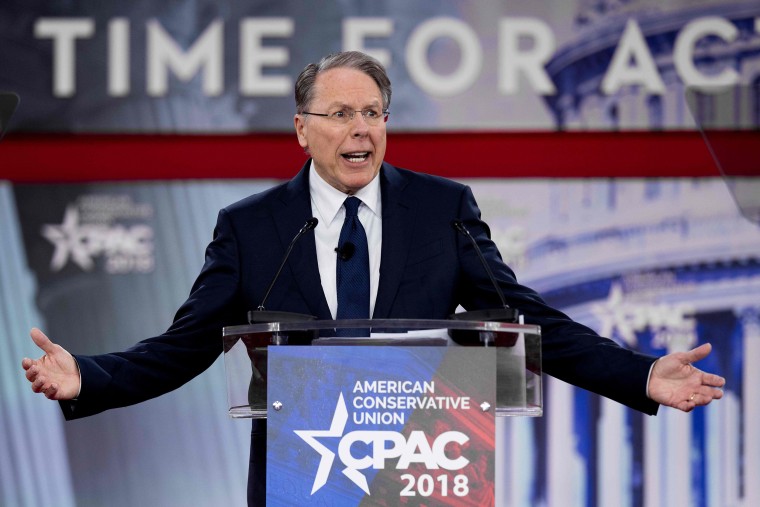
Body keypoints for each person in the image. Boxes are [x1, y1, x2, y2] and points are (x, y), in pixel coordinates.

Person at [22, 51, 725, 505]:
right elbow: (185, 345)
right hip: (304, 483)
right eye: (340, 114)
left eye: (372, 113)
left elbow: (529, 319)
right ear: (302, 129)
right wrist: (90, 376)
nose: (360, 128)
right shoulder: (253, 226)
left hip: (418, 477)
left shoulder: (441, 208)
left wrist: (640, 376)